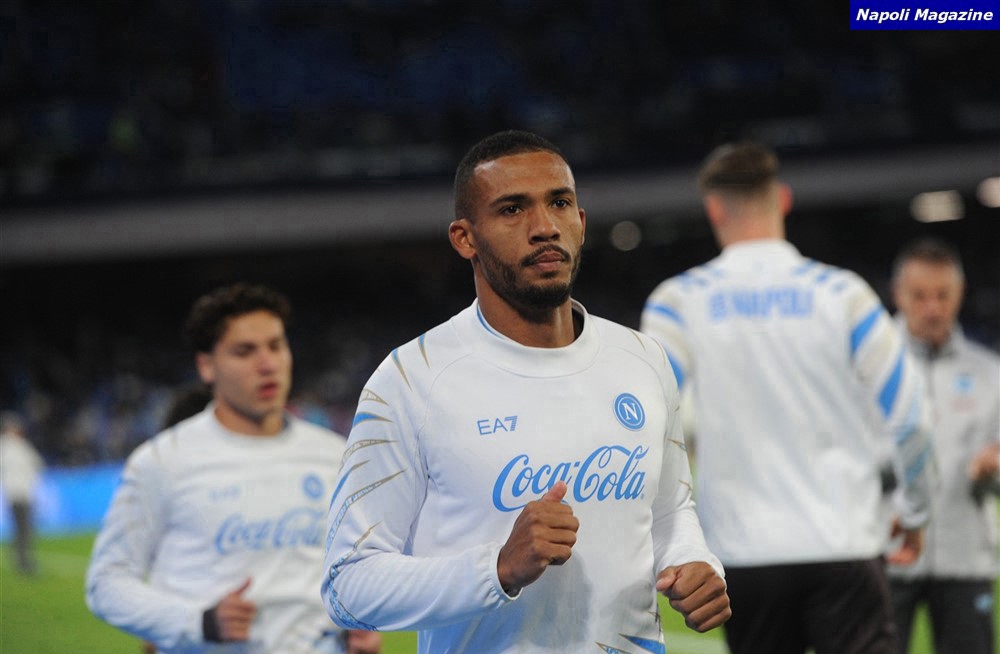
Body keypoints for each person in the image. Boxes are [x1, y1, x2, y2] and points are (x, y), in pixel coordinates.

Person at [321, 130, 730, 654]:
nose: (544, 227)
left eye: (559, 203)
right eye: (512, 209)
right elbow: (347, 586)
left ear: (580, 222)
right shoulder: (410, 380)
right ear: (465, 238)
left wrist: (693, 562)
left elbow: (671, 511)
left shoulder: (643, 360)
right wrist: (496, 569)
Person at [640, 142, 937, 654]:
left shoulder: (678, 300)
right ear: (782, 198)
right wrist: (915, 512)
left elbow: (646, 417)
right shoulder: (843, 294)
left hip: (745, 552)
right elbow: (911, 419)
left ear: (714, 209)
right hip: (844, 543)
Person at [86, 283, 381, 654]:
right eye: (245, 351)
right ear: (206, 366)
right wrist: (199, 622)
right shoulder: (162, 461)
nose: (268, 364)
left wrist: (360, 625)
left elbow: (355, 567)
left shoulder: (333, 454)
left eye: (276, 346)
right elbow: (106, 583)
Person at [886, 238, 999, 654]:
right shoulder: (869, 369)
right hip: (885, 556)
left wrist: (993, 467)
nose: (932, 308)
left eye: (942, 295)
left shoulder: (990, 374)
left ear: (960, 293)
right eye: (919, 296)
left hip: (965, 559)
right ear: (898, 294)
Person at [0, 410, 45, 575]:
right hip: (21, 493)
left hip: (15, 493)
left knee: (21, 529)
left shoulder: (8, 446)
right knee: (24, 529)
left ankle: (20, 560)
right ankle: (24, 562)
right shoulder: (18, 445)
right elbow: (38, 463)